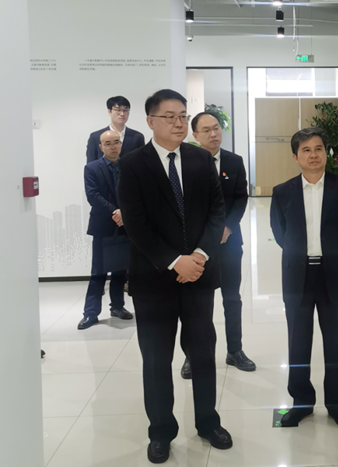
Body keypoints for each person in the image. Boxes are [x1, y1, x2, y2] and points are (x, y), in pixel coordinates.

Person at [118, 89, 231, 464]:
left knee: (203, 354)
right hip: (153, 281)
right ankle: (161, 432)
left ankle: (208, 423)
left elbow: (216, 212)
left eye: (183, 115)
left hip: (198, 276)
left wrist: (198, 256)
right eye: (170, 117)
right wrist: (173, 261)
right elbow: (136, 224)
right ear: (150, 121)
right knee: (156, 360)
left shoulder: (200, 159)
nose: (179, 123)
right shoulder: (133, 164)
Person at [269, 127, 338, 429]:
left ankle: (337, 404)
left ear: (327, 153)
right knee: (298, 342)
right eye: (306, 150)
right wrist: (301, 253)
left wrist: (335, 252)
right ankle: (301, 402)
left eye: (318, 148)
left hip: (333, 273)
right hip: (297, 274)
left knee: (335, 341)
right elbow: (280, 232)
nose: (313, 155)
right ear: (295, 157)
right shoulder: (282, 191)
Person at [180, 112, 255, 379]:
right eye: (207, 130)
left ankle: (235, 350)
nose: (214, 134)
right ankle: (194, 355)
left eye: (217, 128)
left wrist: (228, 227)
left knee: (232, 299)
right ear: (195, 135)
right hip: (197, 246)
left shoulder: (234, 161)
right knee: (198, 303)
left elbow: (241, 198)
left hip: (229, 243)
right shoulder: (185, 163)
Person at [78, 130, 132, 330]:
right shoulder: (91, 168)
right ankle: (90, 313)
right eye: (108, 143)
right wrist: (115, 211)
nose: (113, 146)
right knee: (98, 271)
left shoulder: (129, 167)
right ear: (101, 147)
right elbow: (93, 195)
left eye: (116, 142)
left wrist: (125, 213)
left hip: (125, 225)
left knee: (120, 270)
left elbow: (135, 194)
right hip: (103, 226)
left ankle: (117, 307)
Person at [86, 96, 145, 163]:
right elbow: (91, 164)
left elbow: (141, 163)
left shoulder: (137, 137)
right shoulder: (95, 137)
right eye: (118, 110)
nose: (122, 114)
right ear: (109, 111)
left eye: (125, 110)